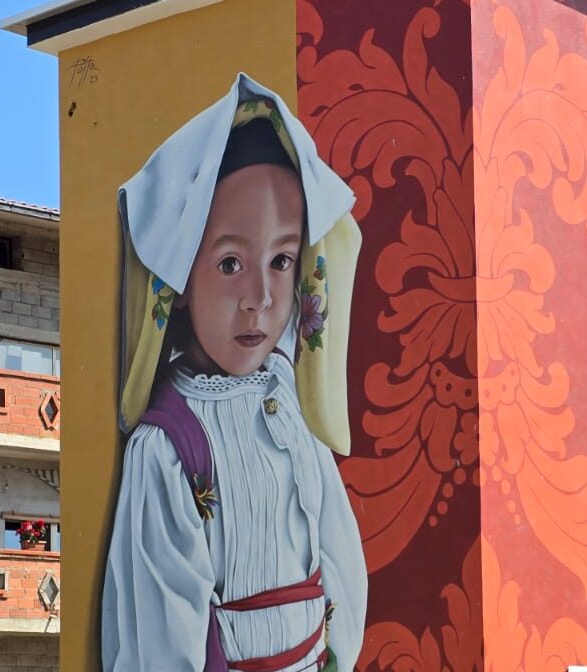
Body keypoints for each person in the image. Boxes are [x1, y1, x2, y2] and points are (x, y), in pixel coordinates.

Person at [102, 73, 366, 672]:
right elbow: (161, 635)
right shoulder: (167, 449)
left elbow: (339, 553)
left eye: (281, 260)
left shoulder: (288, 400)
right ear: (177, 278)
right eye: (229, 263)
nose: (260, 298)